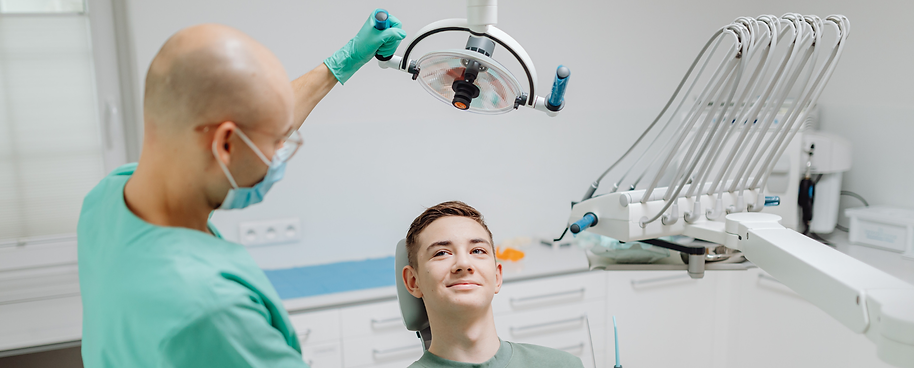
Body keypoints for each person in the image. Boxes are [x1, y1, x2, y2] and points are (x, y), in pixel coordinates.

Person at [76, 10, 406, 368]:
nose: (279, 153)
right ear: (225, 145)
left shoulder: (109, 198)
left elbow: (255, 117)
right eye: (278, 142)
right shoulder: (213, 311)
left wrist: (342, 61)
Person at [401, 201, 585, 368]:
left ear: (497, 276)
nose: (464, 264)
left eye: (477, 250)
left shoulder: (564, 365)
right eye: (441, 253)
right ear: (413, 282)